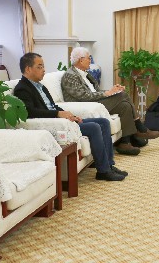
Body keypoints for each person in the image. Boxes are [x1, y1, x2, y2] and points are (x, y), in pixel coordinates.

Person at [14, 53, 127, 181]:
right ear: (28, 69)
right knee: (94, 127)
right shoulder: (22, 88)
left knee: (103, 122)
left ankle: (109, 165)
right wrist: (58, 114)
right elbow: (30, 112)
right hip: (55, 125)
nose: (44, 70)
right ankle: (103, 171)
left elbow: (53, 106)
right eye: (40, 67)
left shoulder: (41, 86)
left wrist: (70, 115)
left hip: (61, 120)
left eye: (43, 66)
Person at [61, 47, 159, 156]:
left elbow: (95, 91)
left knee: (125, 105)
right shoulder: (70, 75)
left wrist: (112, 91)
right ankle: (139, 126)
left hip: (95, 102)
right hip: (87, 106)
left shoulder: (85, 74)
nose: (90, 60)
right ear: (81, 60)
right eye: (89, 58)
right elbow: (82, 96)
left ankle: (125, 142)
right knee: (123, 95)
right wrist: (107, 93)